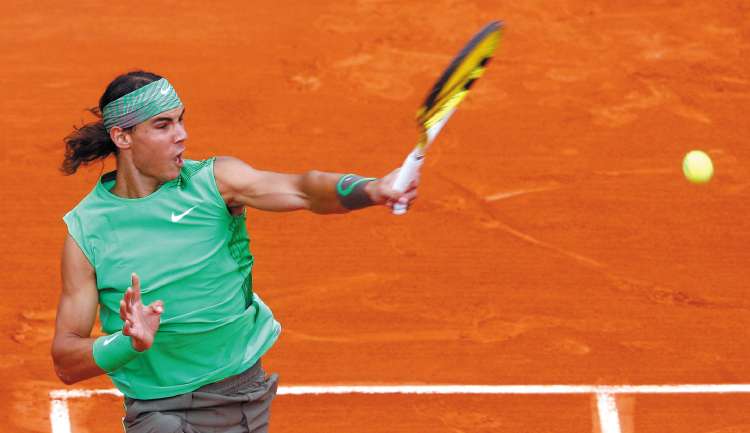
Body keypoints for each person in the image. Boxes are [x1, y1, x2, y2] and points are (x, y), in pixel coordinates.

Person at [51, 70, 417, 433]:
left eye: (181, 121)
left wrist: (371, 189)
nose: (182, 135)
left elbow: (304, 189)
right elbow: (67, 362)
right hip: (158, 410)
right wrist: (128, 342)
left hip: (242, 397)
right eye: (163, 125)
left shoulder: (215, 184)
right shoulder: (88, 231)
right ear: (122, 136)